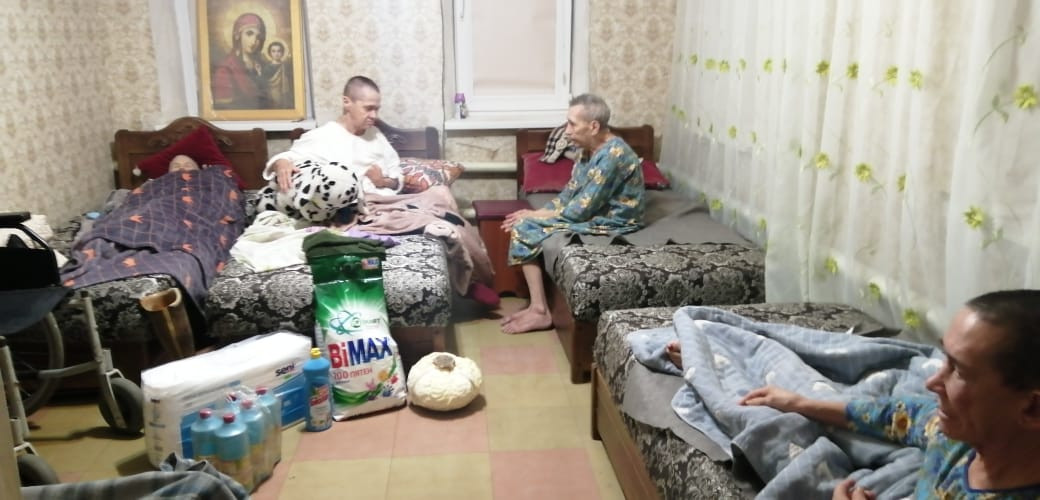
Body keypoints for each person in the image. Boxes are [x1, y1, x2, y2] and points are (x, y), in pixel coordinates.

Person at [671, 290, 1040, 499]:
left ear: (1032, 408)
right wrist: (799, 403)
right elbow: (898, 415)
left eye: (959, 371)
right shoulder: (955, 439)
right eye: (943, 359)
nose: (933, 382)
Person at [499, 94, 646, 334]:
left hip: (615, 220)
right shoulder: (587, 149)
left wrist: (534, 218)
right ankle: (537, 307)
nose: (566, 131)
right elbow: (569, 194)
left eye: (572, 124)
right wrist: (537, 211)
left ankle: (540, 311)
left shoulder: (614, 155)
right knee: (524, 222)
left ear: (593, 126)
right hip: (593, 212)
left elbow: (580, 210)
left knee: (525, 229)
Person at [255, 76, 403, 222]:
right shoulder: (322, 136)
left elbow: (398, 177)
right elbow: (288, 158)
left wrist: (382, 182)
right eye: (368, 108)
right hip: (344, 208)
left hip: (383, 203)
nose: (374, 116)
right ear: (347, 102)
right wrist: (281, 163)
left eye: (377, 109)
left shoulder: (376, 134)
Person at [211, 13, 271, 110]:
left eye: (258, 37)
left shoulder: (262, 66)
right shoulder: (225, 69)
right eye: (249, 34)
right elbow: (225, 108)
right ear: (237, 35)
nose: (254, 41)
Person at [264, 40, 293, 109]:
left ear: (282, 52)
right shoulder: (267, 68)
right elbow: (264, 83)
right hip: (271, 95)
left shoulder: (286, 66)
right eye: (273, 51)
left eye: (279, 51)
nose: (276, 54)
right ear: (270, 53)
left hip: (284, 95)